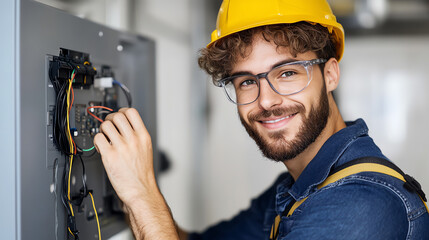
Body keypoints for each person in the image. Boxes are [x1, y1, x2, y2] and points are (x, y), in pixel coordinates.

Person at [94, 0, 429, 239]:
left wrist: (142, 194)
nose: (266, 101)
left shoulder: (360, 206)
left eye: (286, 73)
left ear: (330, 74)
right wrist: (131, 187)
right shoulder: (295, 191)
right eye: (247, 81)